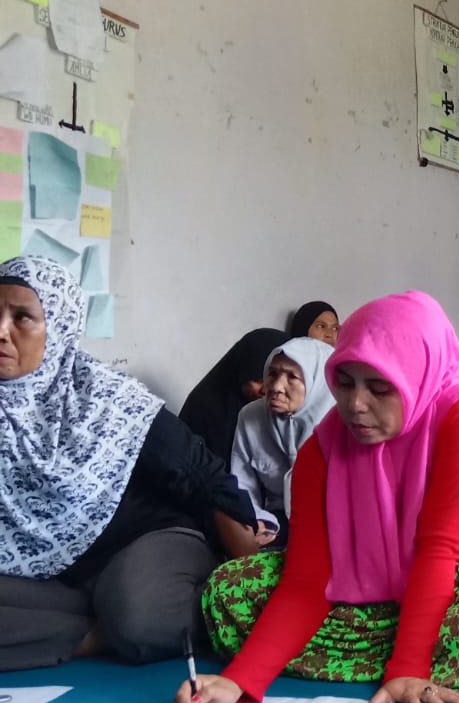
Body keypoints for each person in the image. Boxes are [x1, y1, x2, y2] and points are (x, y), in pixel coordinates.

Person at [175, 291, 459, 703]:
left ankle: (408, 642)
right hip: (382, 572)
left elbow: (439, 549)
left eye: (379, 388)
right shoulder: (322, 450)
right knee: (229, 590)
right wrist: (239, 681)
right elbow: (306, 582)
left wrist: (407, 668)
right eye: (344, 383)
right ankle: (417, 633)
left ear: (416, 376)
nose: (355, 405)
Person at [0, 256, 258, 672]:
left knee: (141, 619)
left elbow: (202, 476)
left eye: (22, 318)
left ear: (59, 327)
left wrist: (251, 577)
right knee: (125, 615)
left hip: (145, 542)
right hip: (51, 575)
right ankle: (94, 632)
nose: (2, 331)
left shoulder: (107, 400)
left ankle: (86, 626)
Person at [229, 336, 336, 547]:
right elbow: (242, 482)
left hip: (329, 523)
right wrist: (258, 521)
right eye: (273, 374)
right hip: (276, 522)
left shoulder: (338, 424)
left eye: (292, 377)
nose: (276, 387)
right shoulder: (251, 417)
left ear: (316, 382)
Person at [179, 328, 291, 459]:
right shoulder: (206, 409)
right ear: (240, 370)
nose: (265, 391)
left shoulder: (284, 418)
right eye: (258, 380)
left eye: (274, 383)